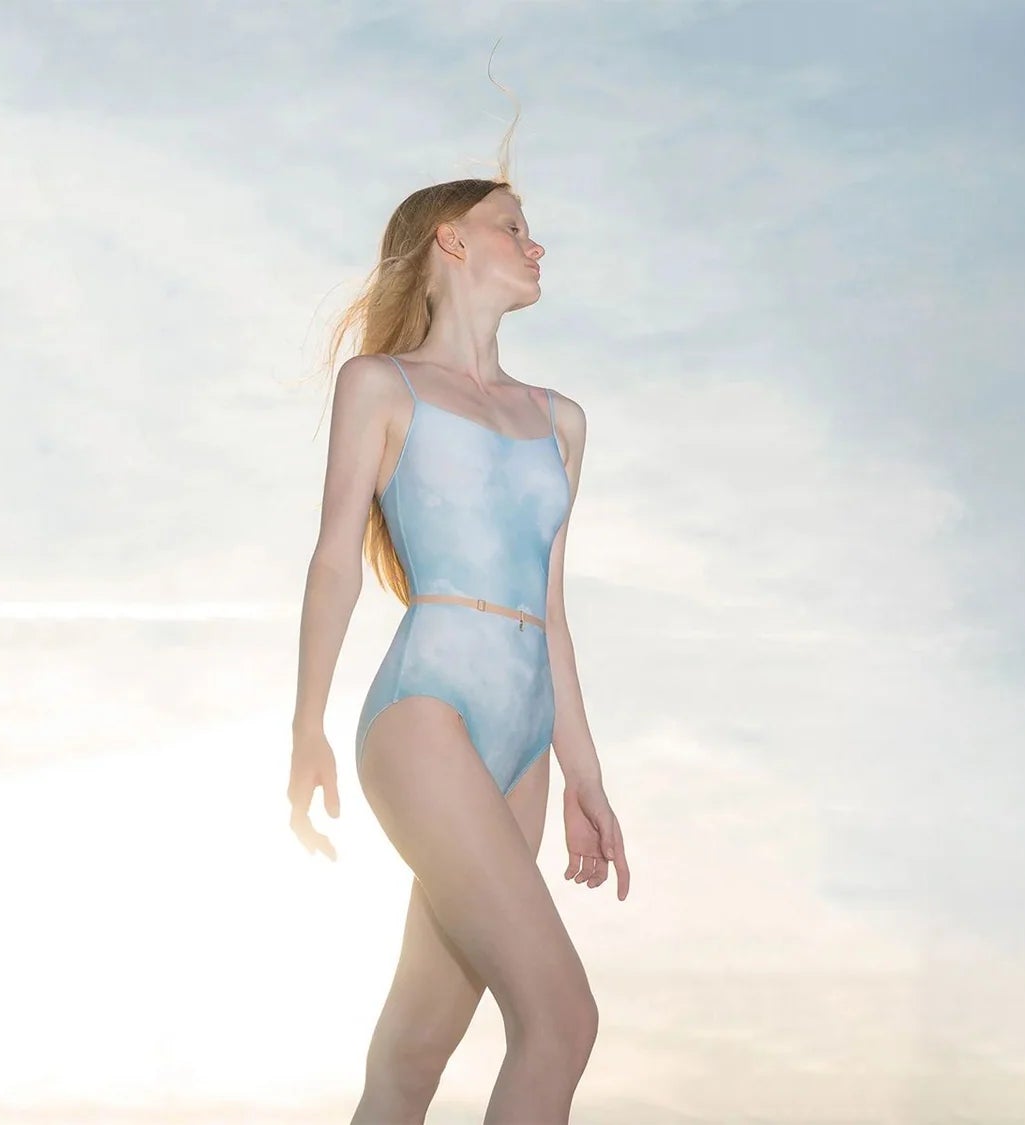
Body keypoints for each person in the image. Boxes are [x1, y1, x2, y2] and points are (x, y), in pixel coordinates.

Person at [285, 164, 629, 1125]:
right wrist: (307, 727)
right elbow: (335, 561)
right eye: (512, 225)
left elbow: (552, 611)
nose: (535, 243)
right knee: (561, 1019)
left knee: (413, 1049)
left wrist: (585, 774)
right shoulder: (380, 384)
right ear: (452, 239)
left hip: (526, 739)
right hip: (424, 709)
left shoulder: (560, 421)